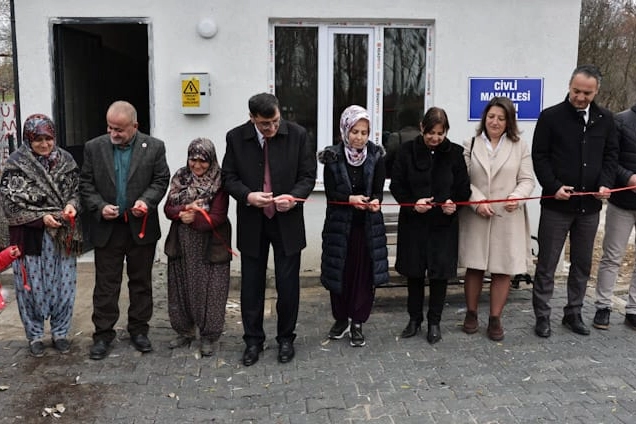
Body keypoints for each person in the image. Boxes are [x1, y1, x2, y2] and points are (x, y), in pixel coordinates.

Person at [222, 93, 316, 366]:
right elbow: (228, 177)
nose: (272, 128)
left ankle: (286, 338)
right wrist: (247, 196)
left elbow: (308, 176)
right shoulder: (235, 138)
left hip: (287, 221)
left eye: (275, 121)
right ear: (252, 118)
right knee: (251, 284)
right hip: (253, 221)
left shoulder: (297, 135)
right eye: (265, 124)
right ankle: (253, 340)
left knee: (288, 285)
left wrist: (294, 197)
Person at [532, 64, 618, 338]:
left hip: (589, 207)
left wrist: (605, 183)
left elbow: (611, 156)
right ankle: (542, 316)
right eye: (576, 91)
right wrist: (553, 186)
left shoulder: (606, 119)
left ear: (596, 91)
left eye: (587, 93)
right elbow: (539, 156)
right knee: (547, 263)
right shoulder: (550, 117)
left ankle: (573, 312)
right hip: (556, 206)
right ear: (569, 86)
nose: (580, 97)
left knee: (582, 264)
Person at [80, 100, 170, 359]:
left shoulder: (154, 147)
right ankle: (103, 334)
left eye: (119, 129)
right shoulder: (94, 147)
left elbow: (161, 179)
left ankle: (139, 330)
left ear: (135, 126)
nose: (113, 133)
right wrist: (99, 207)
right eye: (110, 127)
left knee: (141, 282)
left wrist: (146, 202)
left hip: (140, 226)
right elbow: (85, 183)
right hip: (108, 228)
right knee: (106, 284)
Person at [0, 114, 83, 357]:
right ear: (28, 139)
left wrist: (72, 205)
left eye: (48, 139)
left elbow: (76, 190)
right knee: (30, 289)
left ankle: (60, 332)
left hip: (62, 233)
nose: (45, 144)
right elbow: (10, 204)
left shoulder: (66, 160)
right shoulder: (16, 164)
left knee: (64, 285)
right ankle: (35, 335)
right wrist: (41, 218)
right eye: (38, 140)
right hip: (30, 237)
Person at [389, 107, 470, 344]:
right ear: (422, 128)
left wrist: (454, 204)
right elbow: (397, 185)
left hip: (442, 226)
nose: (435, 138)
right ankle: (414, 319)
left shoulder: (455, 153)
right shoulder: (406, 151)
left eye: (440, 133)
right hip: (414, 224)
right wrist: (413, 204)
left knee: (439, 276)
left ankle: (434, 322)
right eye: (431, 133)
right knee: (414, 274)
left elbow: (463, 188)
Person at [458, 97, 535, 341]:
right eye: (491, 117)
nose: (495, 122)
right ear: (484, 118)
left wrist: (517, 197)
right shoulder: (470, 144)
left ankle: (495, 318)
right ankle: (471, 314)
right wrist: (477, 201)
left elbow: (527, 180)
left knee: (503, 269)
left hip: (507, 215)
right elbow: (462, 180)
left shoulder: (519, 146)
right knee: (475, 266)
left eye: (501, 118)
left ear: (509, 121)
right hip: (476, 216)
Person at [318, 105, 389, 347]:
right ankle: (340, 319)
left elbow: (378, 190)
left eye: (364, 132)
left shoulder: (376, 155)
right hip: (340, 229)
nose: (359, 137)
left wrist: (376, 201)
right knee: (339, 275)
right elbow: (331, 193)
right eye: (355, 131)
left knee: (363, 277)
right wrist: (349, 199)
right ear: (345, 130)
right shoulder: (333, 157)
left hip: (366, 229)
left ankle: (357, 321)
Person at [163, 137, 231, 356]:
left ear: (211, 160)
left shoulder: (220, 180)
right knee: (181, 287)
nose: (197, 165)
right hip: (182, 242)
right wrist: (182, 212)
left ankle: (209, 336)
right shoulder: (181, 177)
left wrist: (194, 219)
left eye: (203, 160)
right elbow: (168, 208)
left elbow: (219, 215)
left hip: (210, 242)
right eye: (194, 159)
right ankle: (185, 331)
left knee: (211, 289)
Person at [593, 102, 636, 331]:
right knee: (612, 256)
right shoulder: (620, 120)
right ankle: (603, 306)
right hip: (622, 203)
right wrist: (628, 178)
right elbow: (609, 159)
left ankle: (633, 309)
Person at [384, 108, 421, 178]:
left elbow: (388, 159)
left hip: (400, 175)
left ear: (401, 121)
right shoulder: (423, 137)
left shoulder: (396, 137)